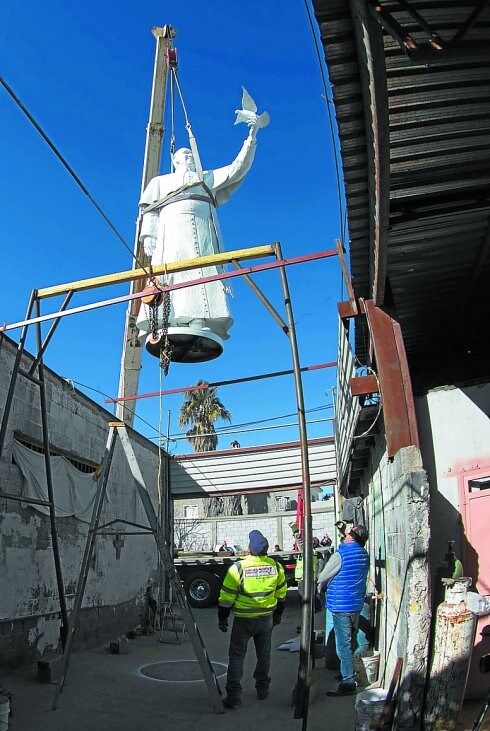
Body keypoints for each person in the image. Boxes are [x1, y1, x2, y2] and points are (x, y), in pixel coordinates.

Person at [136, 89, 269, 357]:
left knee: (202, 276)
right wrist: (148, 236)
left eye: (189, 156)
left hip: (204, 231)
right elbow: (148, 211)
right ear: (173, 161)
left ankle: (200, 321)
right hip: (171, 232)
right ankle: (166, 319)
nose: (186, 158)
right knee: (170, 272)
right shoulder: (160, 182)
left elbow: (236, 169)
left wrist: (251, 137)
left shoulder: (206, 178)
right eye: (181, 156)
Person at [217, 529, 287, 708]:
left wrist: (222, 619)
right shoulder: (275, 566)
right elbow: (282, 595)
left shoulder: (238, 568)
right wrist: (278, 614)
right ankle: (262, 689)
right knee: (264, 655)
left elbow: (226, 599)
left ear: (249, 548)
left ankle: (234, 695)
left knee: (237, 656)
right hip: (266, 619)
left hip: (243, 620)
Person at [317, 524, 369, 696]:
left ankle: (348, 682)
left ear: (351, 537)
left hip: (341, 605)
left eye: (347, 533)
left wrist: (321, 585)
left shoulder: (341, 554)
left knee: (343, 645)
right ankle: (347, 672)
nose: (344, 536)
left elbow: (323, 576)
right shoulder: (363, 554)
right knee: (352, 639)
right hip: (356, 603)